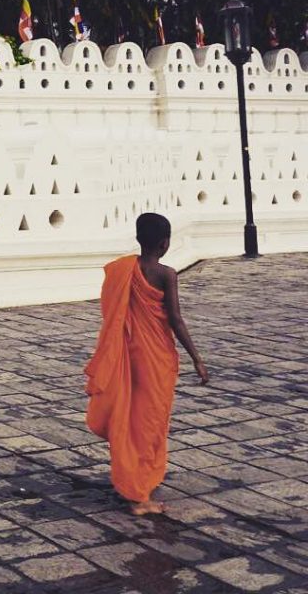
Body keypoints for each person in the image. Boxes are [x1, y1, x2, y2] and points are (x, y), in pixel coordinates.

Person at [84, 212, 210, 515]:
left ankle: (138, 481)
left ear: (140, 239)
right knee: (150, 423)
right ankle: (140, 496)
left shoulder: (123, 269)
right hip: (156, 357)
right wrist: (197, 358)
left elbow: (111, 313)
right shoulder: (166, 274)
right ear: (165, 243)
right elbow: (176, 320)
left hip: (132, 353)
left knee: (132, 418)